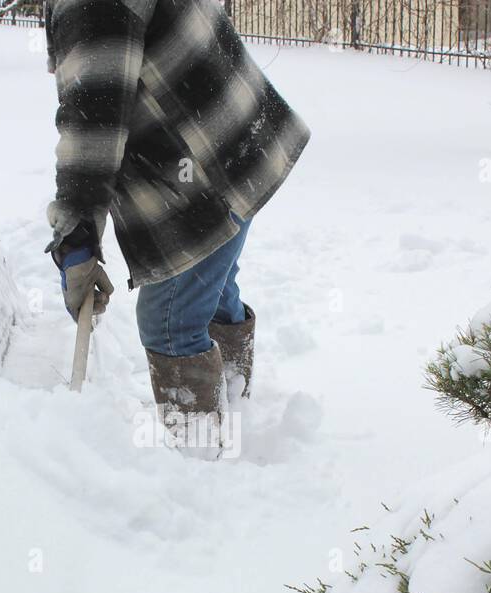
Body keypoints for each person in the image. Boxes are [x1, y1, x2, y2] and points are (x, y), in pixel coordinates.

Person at [43, 0, 309, 453]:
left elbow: (95, 114)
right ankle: (234, 402)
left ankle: (197, 458)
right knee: (213, 287)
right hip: (238, 140)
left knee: (169, 321)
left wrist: (77, 231)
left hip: (204, 171)